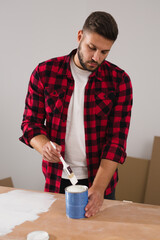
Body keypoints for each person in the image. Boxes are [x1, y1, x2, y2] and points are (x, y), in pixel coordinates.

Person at [19, 11, 133, 218]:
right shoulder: (45, 72)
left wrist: (98, 189)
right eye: (92, 48)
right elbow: (30, 123)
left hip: (100, 183)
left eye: (105, 52)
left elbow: (117, 141)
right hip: (56, 180)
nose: (96, 57)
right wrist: (43, 145)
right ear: (80, 36)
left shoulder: (119, 81)